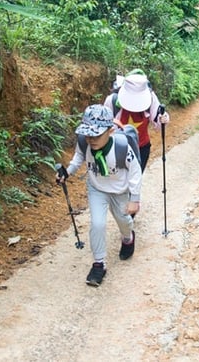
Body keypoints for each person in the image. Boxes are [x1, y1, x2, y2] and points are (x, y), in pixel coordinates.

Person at [55, 104, 142, 287]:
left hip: (120, 191)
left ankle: (128, 237)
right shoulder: (84, 142)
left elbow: (135, 172)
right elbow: (78, 158)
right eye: (88, 134)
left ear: (110, 131)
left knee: (123, 220)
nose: (91, 139)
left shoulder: (121, 147)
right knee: (97, 223)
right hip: (97, 189)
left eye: (96, 135)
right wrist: (67, 172)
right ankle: (99, 264)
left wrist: (134, 199)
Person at [103, 69, 170, 172]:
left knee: (135, 180)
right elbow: (103, 126)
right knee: (119, 182)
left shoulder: (150, 98)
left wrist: (163, 119)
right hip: (117, 149)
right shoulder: (112, 100)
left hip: (141, 149)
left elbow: (158, 122)